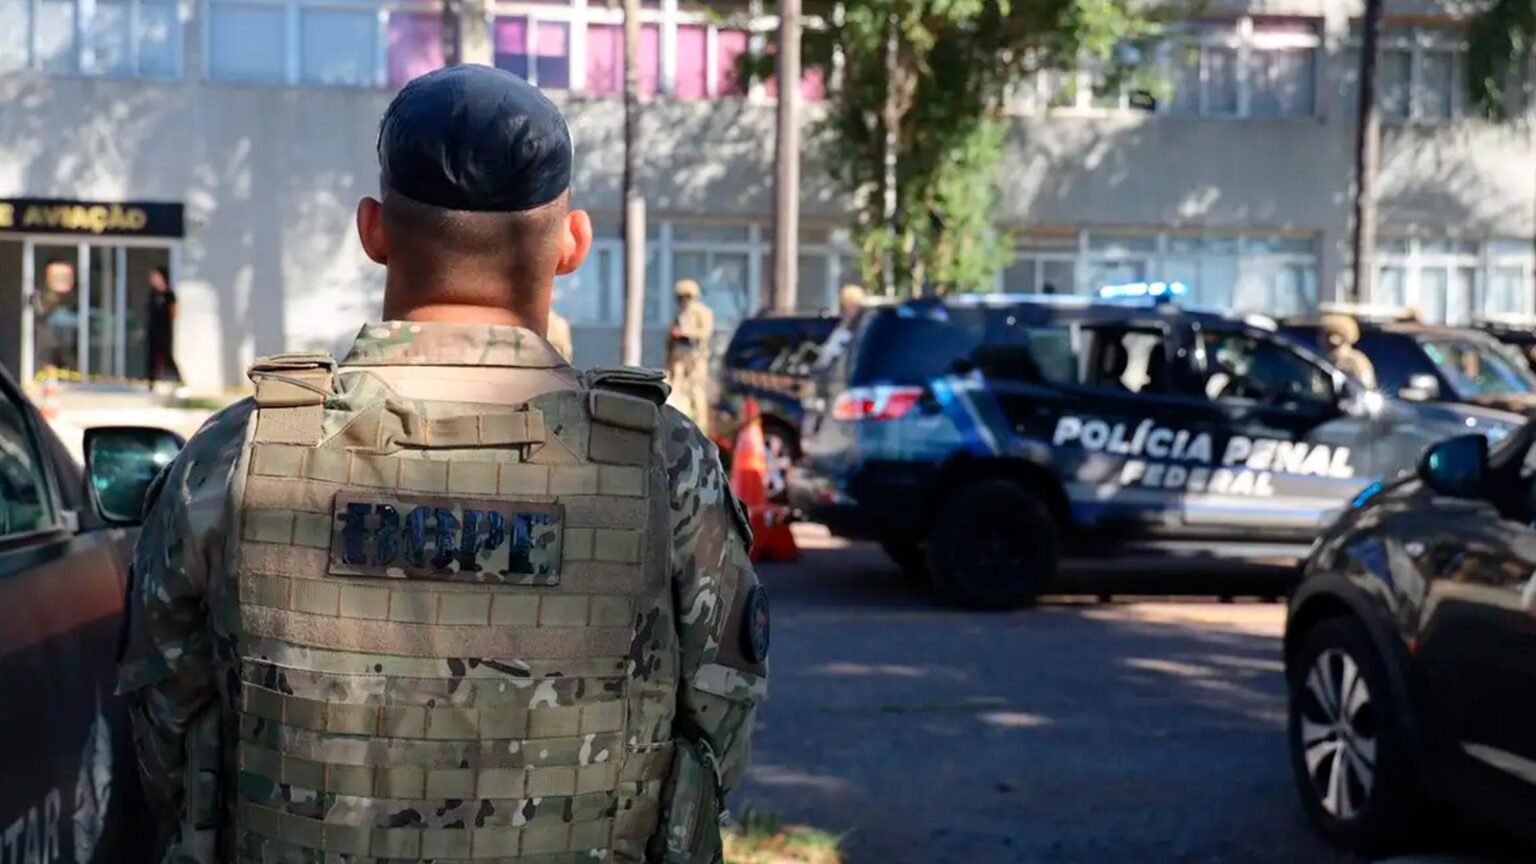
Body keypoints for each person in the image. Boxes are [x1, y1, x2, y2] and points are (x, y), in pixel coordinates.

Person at [117, 64, 767, 864]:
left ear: (373, 231)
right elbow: (718, 730)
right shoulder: (668, 470)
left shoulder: (233, 458)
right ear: (572, 246)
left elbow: (166, 741)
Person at [666, 278, 715, 434]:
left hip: (696, 358)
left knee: (697, 393)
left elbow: (705, 333)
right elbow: (670, 339)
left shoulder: (703, 312)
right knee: (677, 392)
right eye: (680, 297)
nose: (683, 301)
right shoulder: (679, 314)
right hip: (679, 358)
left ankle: (701, 430)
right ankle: (677, 427)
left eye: (685, 297)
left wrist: (686, 332)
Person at [32, 258, 78, 373]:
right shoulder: (44, 293)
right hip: (48, 332)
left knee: (66, 356)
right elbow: (40, 308)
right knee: (48, 357)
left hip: (66, 332)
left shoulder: (70, 296)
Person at [146, 266, 183, 388]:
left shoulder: (169, 294)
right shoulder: (152, 294)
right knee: (152, 357)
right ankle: (151, 383)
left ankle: (180, 381)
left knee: (167, 356)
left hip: (165, 331)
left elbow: (174, 311)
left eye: (156, 277)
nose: (153, 280)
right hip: (153, 330)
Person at [1319, 312, 1377, 389]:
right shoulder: (1325, 361)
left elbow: (1367, 387)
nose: (1320, 339)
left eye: (1323, 335)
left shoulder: (1356, 362)